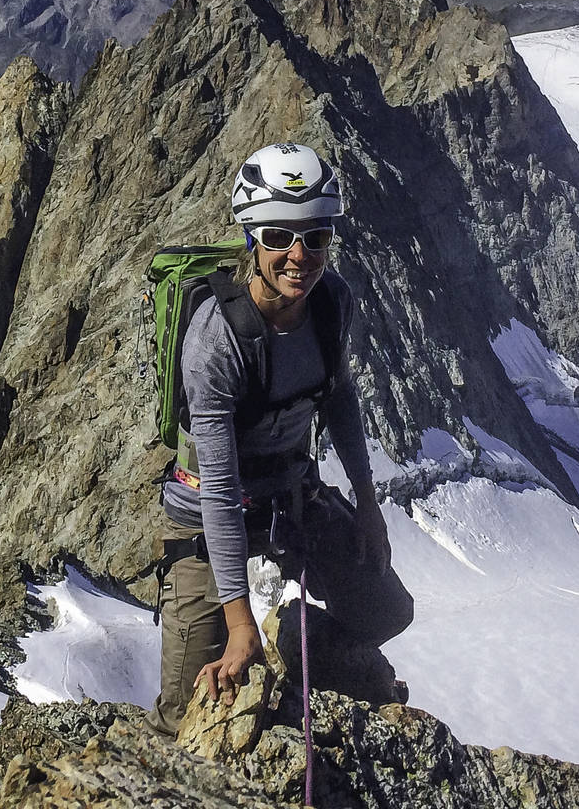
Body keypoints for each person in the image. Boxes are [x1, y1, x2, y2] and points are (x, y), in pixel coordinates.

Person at [151, 142, 413, 736]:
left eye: (315, 237)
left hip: (292, 494)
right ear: (251, 239)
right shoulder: (217, 341)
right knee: (187, 714)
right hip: (207, 514)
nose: (299, 256)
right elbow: (218, 489)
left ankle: (296, 655)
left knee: (386, 611)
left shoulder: (331, 304)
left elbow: (339, 397)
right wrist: (239, 623)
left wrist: (368, 504)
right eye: (277, 237)